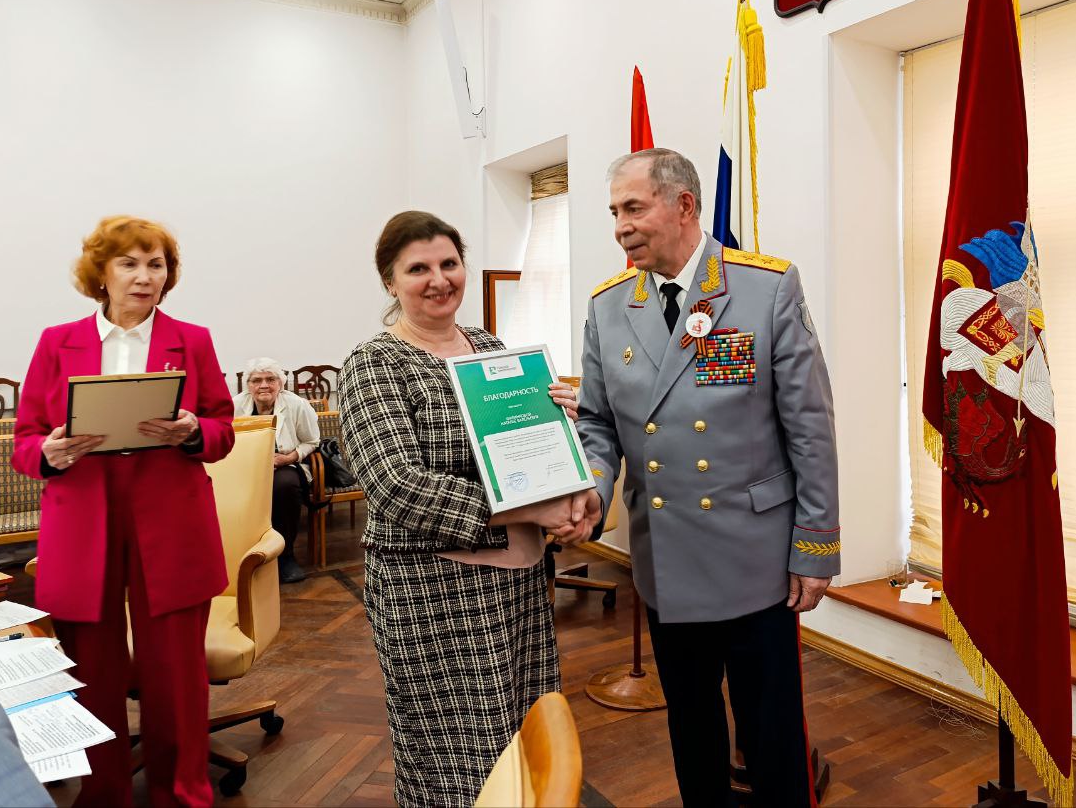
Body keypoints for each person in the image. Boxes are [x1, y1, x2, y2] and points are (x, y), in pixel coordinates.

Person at [576, 149, 840, 807]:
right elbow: (598, 424)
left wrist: (816, 545)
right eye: (614, 211)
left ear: (684, 206)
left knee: (771, 734)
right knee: (692, 728)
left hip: (756, 560)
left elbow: (809, 426)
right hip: (665, 559)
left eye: (633, 208)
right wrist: (593, 490)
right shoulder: (609, 306)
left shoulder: (765, 287)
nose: (620, 226)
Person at [337, 210, 598, 808]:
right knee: (457, 752)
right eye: (418, 269)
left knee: (524, 731)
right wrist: (529, 512)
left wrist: (564, 434)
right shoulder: (374, 364)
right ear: (389, 281)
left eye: (449, 263)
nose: (439, 280)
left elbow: (519, 447)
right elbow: (395, 486)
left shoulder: (489, 348)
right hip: (432, 590)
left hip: (520, 580)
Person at [13, 215, 235, 807]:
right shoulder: (56, 342)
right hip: (83, 522)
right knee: (89, 670)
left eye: (156, 264)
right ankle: (101, 793)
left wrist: (193, 431)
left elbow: (222, 429)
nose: (144, 277)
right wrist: (47, 453)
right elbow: (24, 441)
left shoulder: (193, 340)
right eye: (129, 264)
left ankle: (181, 792)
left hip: (172, 522)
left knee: (177, 674)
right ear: (101, 274)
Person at [232, 358, 320, 583]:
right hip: (246, 467)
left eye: (270, 379)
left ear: (280, 383)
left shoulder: (296, 405)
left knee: (284, 486)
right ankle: (242, 552)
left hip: (285, 464)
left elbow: (312, 441)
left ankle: (284, 555)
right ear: (248, 385)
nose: (264, 385)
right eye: (256, 380)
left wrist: (287, 458)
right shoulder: (235, 405)